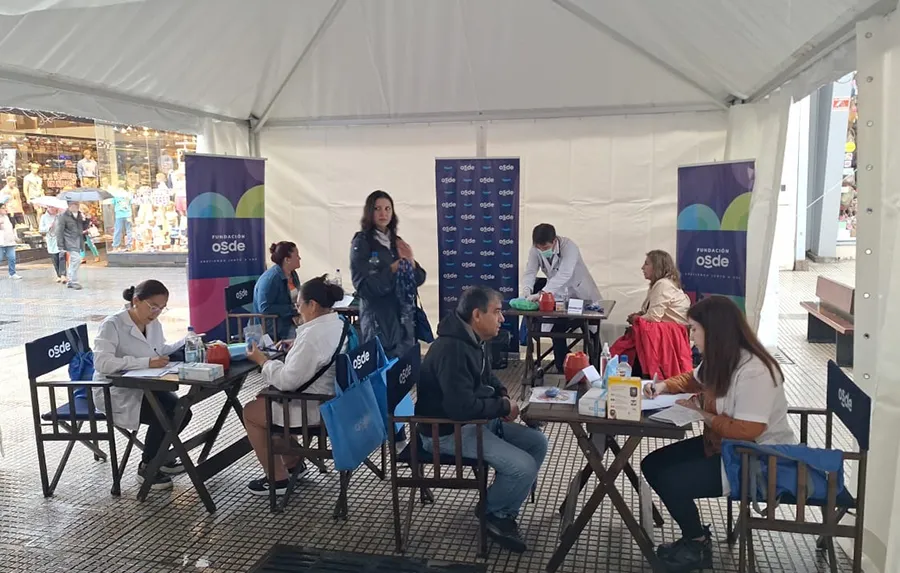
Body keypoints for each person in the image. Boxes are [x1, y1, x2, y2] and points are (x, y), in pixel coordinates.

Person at [640, 296, 796, 572]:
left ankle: (696, 544)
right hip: (724, 446)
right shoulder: (724, 357)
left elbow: (748, 430)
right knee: (651, 464)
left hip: (756, 460)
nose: (690, 336)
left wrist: (703, 414)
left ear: (714, 332)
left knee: (671, 479)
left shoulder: (756, 371)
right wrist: (663, 386)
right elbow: (694, 379)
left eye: (694, 329)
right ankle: (695, 537)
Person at [416, 286, 548, 553]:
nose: (502, 319)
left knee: (537, 443)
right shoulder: (452, 349)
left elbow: (489, 378)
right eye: (497, 312)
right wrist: (501, 406)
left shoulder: (473, 340)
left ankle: (500, 507)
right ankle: (494, 513)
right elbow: (460, 408)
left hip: (473, 423)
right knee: (523, 467)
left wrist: (501, 396)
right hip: (446, 431)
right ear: (477, 315)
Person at [243, 276, 348, 495]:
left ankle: (277, 479)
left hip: (313, 408)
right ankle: (293, 464)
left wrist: (263, 361)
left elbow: (287, 381)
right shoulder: (338, 324)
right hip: (334, 399)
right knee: (265, 396)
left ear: (313, 305)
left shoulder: (311, 336)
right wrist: (296, 345)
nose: (297, 310)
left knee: (251, 412)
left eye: (299, 304)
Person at [92, 280, 189, 491]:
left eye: (161, 309)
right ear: (136, 300)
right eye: (153, 306)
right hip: (115, 391)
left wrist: (186, 341)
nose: (156, 313)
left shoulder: (153, 323)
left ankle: (161, 458)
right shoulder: (112, 325)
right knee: (163, 414)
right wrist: (145, 362)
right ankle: (148, 467)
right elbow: (102, 363)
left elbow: (159, 349)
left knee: (182, 411)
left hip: (145, 385)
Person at [350, 190, 426, 360]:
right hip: (379, 319)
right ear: (370, 212)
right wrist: (391, 270)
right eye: (377, 209)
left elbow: (419, 279)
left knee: (404, 370)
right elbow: (363, 286)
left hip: (403, 318)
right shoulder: (362, 242)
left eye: (387, 209)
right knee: (382, 368)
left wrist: (411, 262)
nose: (383, 213)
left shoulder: (396, 242)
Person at [520, 223, 602, 373]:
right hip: (559, 297)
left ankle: (596, 370)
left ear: (554, 241)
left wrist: (541, 293)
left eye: (545, 248)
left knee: (592, 334)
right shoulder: (535, 250)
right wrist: (526, 290)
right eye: (539, 248)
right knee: (557, 330)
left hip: (582, 295)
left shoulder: (569, 247)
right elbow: (530, 272)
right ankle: (563, 369)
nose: (542, 251)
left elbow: (565, 274)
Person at [253, 241, 302, 341]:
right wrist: (293, 309)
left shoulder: (293, 274)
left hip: (290, 320)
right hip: (276, 327)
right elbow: (265, 308)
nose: (299, 258)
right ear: (287, 260)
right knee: (302, 338)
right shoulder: (270, 279)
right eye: (297, 256)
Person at [629, 250, 690, 326]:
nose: (642, 267)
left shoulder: (663, 284)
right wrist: (640, 315)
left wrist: (636, 318)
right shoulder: (663, 283)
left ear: (657, 267)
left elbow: (654, 317)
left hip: (673, 333)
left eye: (646, 264)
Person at [57, 201, 86, 290]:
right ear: (69, 205)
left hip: (78, 241)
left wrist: (87, 219)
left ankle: (70, 280)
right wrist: (60, 245)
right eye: (74, 204)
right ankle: (74, 281)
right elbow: (59, 231)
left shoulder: (80, 215)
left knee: (75, 261)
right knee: (76, 259)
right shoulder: (63, 216)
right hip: (69, 241)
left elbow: (83, 227)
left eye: (77, 204)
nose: (76, 206)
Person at [39, 207, 66, 283]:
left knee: (62, 256)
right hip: (51, 240)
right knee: (55, 258)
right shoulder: (44, 217)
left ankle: (63, 275)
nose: (53, 209)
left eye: (54, 207)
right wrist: (49, 227)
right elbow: (41, 229)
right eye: (51, 207)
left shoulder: (59, 215)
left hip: (61, 239)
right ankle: (58, 275)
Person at [0, 202, 21, 280]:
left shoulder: (8, 217)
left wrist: (15, 237)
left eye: (5, 207)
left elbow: (12, 228)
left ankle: (12, 273)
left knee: (12, 258)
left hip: (10, 241)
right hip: (1, 242)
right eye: (2, 208)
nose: (5, 209)